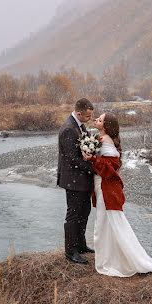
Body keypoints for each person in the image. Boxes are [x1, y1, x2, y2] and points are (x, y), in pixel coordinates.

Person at [83, 113, 152, 277]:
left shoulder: (105, 140)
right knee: (105, 224)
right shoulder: (101, 138)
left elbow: (111, 167)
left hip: (106, 188)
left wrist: (92, 159)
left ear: (106, 126)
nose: (96, 120)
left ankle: (113, 261)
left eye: (99, 119)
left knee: (105, 225)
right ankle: (112, 258)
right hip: (101, 186)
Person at [57, 98, 96, 264]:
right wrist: (94, 168)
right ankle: (70, 251)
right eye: (87, 116)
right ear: (79, 113)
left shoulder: (79, 125)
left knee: (84, 212)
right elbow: (72, 158)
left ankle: (81, 245)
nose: (89, 118)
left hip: (82, 180)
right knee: (73, 215)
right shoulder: (68, 129)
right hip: (73, 180)